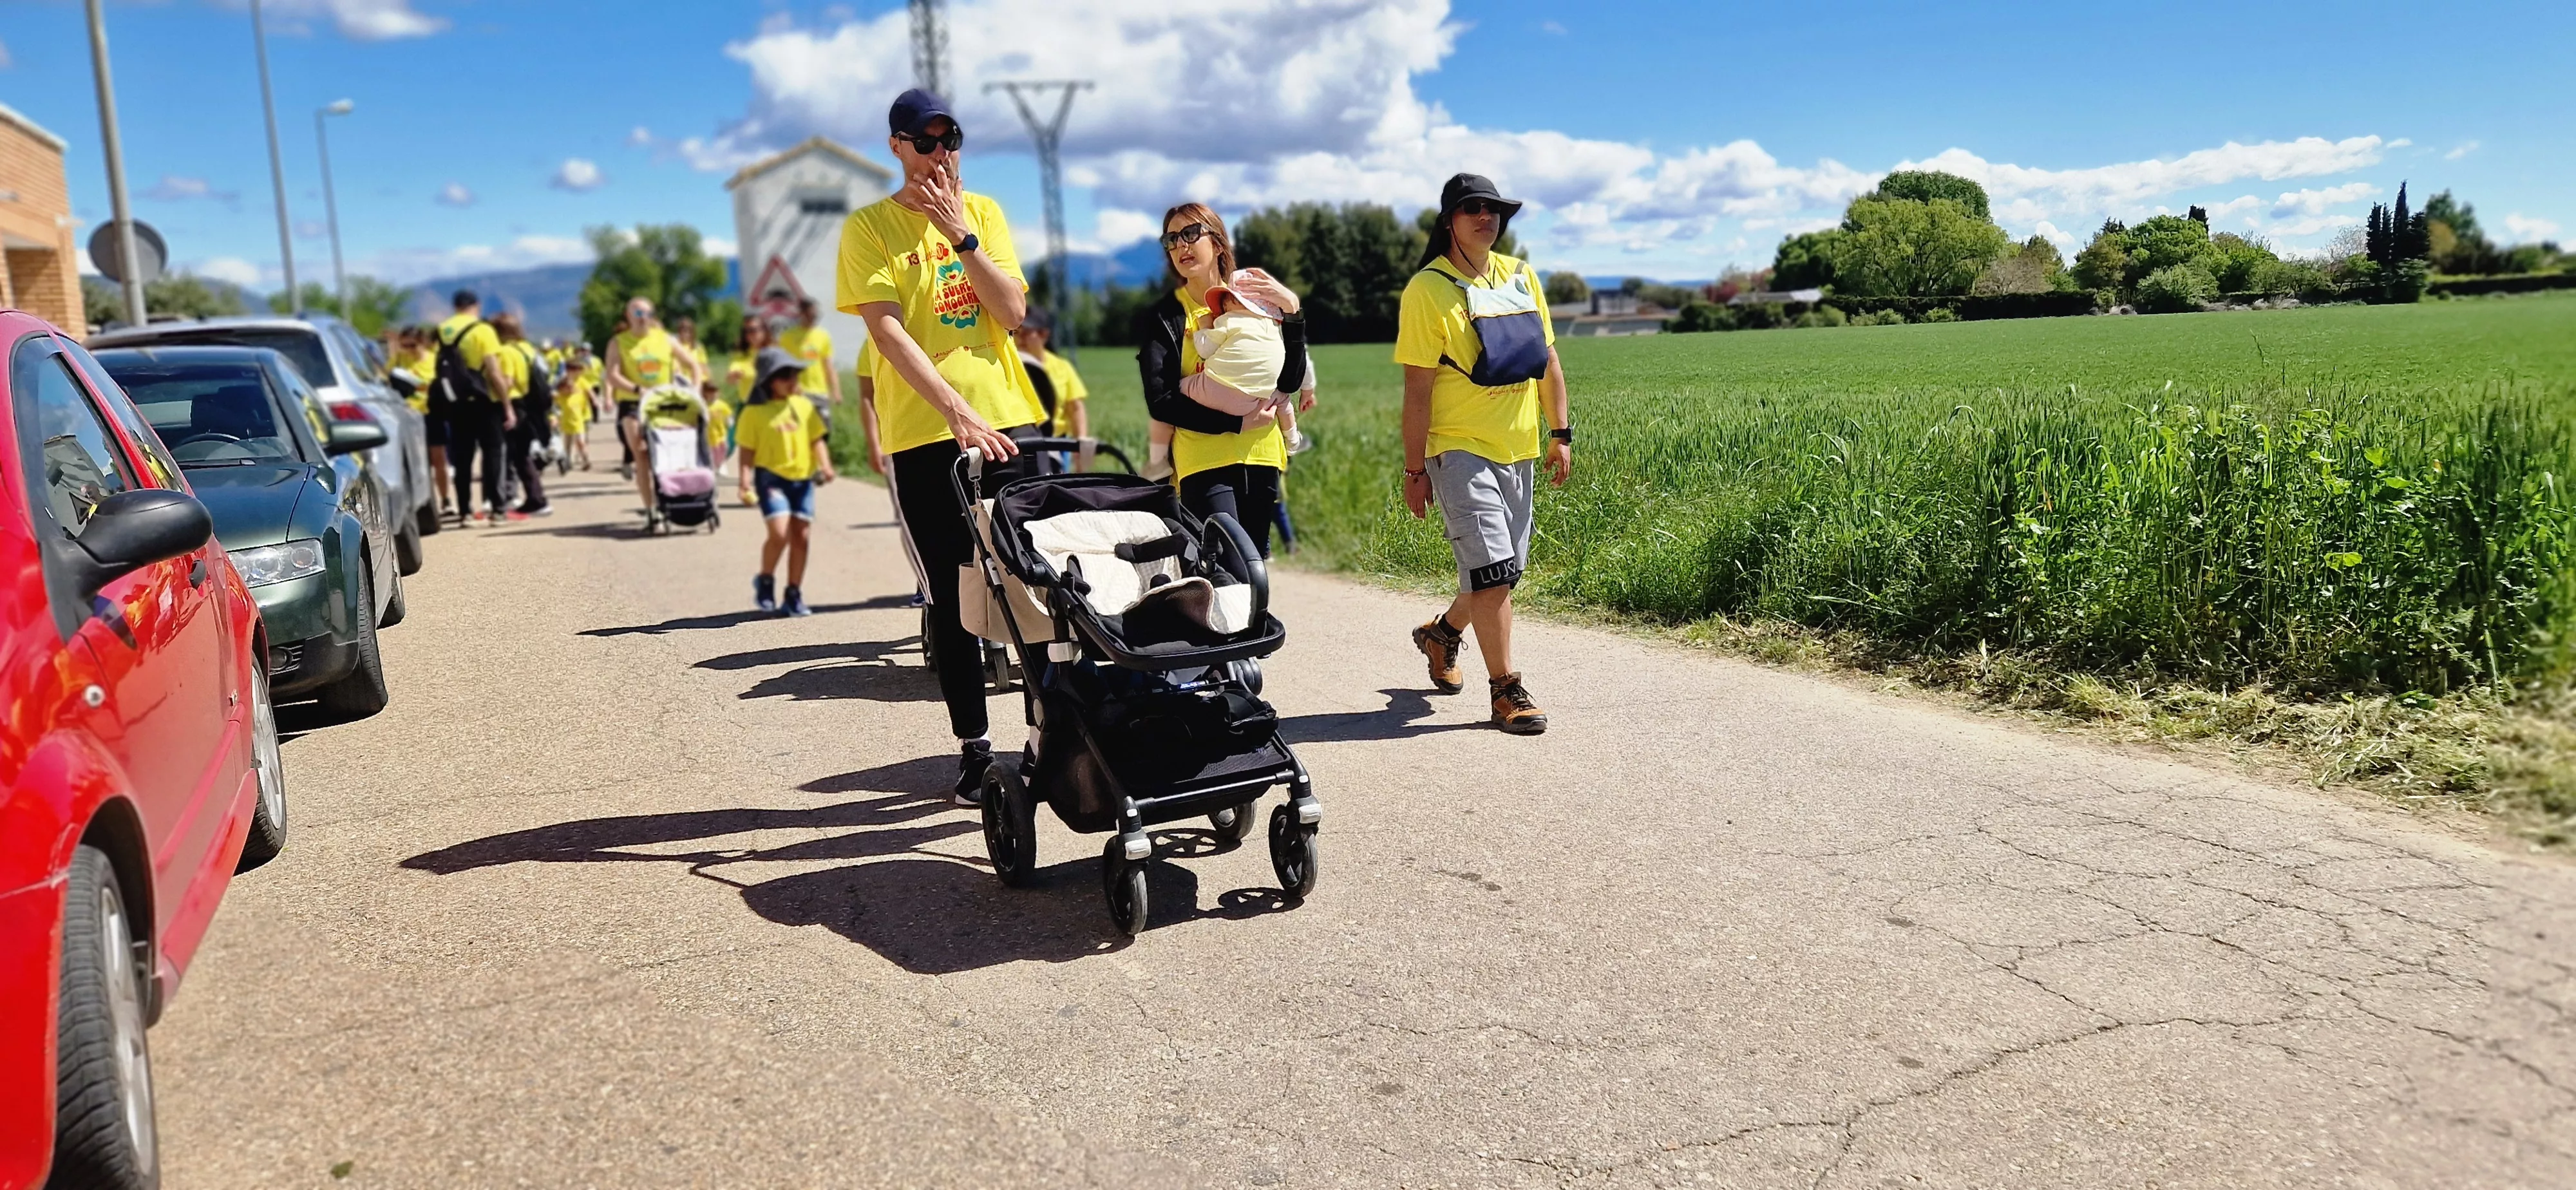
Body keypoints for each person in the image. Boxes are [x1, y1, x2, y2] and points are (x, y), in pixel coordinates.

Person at [837, 87, 1048, 805]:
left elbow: (1011, 312)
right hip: (927, 433)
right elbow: (887, 331)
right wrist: (955, 411)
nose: (939, 153)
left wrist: (960, 234)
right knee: (957, 595)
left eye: (948, 139)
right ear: (897, 146)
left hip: (1009, 422)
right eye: (923, 142)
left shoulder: (982, 213)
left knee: (1032, 583)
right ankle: (974, 750)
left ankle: (1047, 735)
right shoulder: (869, 227)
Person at [1394, 173, 1573, 735]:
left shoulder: (1519, 276)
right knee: (1493, 573)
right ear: (1449, 220)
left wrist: (1560, 433)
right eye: (1472, 207)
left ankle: (1442, 634)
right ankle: (1506, 690)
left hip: (1518, 447)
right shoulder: (1427, 290)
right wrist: (1415, 468)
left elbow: (1547, 360)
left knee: (1501, 574)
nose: (1486, 217)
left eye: (1494, 209)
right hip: (1459, 448)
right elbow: (1417, 390)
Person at [1134, 203, 1312, 557]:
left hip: (1262, 456)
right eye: (1171, 239)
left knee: (1254, 563)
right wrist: (1235, 423)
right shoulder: (1166, 316)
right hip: (1204, 460)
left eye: (1190, 234)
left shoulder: (1255, 299)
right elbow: (1162, 400)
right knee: (1228, 561)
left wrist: (1293, 312)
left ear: (1217, 243)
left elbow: (1288, 381)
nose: (1181, 246)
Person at [735, 346, 835, 617]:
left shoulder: (803, 406)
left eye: (794, 375)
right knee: (780, 534)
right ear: (769, 380)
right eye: (784, 376)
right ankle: (766, 579)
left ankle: (794, 593)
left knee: (801, 536)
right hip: (771, 479)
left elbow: (816, 439)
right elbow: (746, 452)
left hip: (802, 480)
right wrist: (744, 483)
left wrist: (825, 465)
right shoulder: (754, 413)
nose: (792, 381)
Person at [605, 297, 699, 516]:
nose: (643, 318)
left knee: (671, 449)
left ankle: (674, 497)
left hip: (664, 402)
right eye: (638, 313)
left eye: (647, 313)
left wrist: (694, 390)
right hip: (633, 402)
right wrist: (637, 389)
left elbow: (693, 365)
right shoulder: (619, 342)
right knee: (641, 452)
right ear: (628, 316)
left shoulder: (665, 339)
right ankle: (651, 508)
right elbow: (613, 374)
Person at [434, 290, 517, 525]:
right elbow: (493, 371)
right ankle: (497, 509)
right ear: (476, 306)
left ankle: (465, 511)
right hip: (484, 399)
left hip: (456, 401)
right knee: (493, 454)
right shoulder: (483, 330)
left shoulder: (443, 329)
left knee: (462, 458)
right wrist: (507, 404)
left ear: (455, 306)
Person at [496, 314, 552, 516]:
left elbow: (508, 381)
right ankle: (535, 497)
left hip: (514, 402)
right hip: (531, 404)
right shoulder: (528, 349)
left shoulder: (506, 352)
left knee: (518, 455)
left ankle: (536, 499)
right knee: (524, 452)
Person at [1012, 308, 1088, 439]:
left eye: (1027, 333)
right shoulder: (1007, 364)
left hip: (1055, 441)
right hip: (1019, 440)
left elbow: (1075, 408)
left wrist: (1081, 439)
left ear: (1044, 335)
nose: (1021, 338)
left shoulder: (1062, 367)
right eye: (1017, 332)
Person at [779, 296, 840, 424]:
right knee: (799, 430)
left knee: (823, 429)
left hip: (820, 391)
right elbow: (781, 364)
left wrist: (836, 390)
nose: (813, 318)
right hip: (797, 392)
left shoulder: (823, 336)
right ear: (801, 313)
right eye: (810, 315)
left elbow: (828, 365)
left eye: (816, 315)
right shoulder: (788, 337)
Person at [554, 345, 595, 471]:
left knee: (580, 441)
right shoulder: (562, 387)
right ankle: (567, 460)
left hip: (580, 417)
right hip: (566, 419)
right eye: (577, 370)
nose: (580, 372)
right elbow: (554, 398)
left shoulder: (582, 381)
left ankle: (585, 459)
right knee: (568, 441)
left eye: (581, 370)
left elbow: (589, 391)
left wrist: (595, 401)